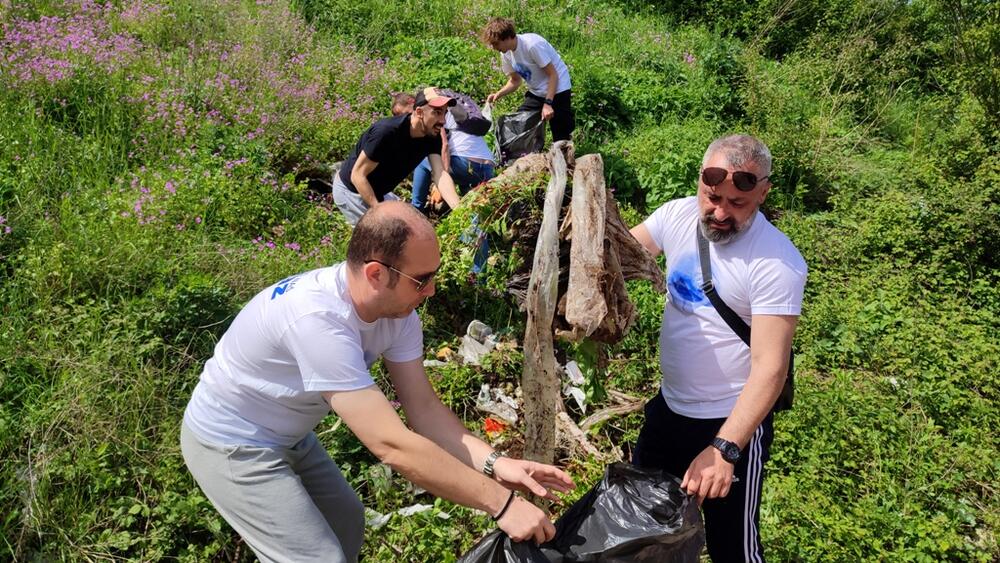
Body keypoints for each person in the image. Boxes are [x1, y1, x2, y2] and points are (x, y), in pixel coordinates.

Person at [180, 201, 574, 562]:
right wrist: (501, 505)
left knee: (347, 523)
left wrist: (496, 464)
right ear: (376, 273)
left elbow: (424, 410)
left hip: (290, 433)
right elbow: (392, 445)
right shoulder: (316, 322)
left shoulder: (399, 314)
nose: (432, 290)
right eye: (421, 280)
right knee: (318, 557)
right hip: (232, 441)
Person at [628, 135, 807, 562]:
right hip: (669, 411)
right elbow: (619, 254)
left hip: (731, 422)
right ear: (699, 184)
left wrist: (725, 448)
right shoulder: (675, 216)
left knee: (733, 548)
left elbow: (770, 368)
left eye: (738, 203)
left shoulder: (775, 262)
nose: (721, 212)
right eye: (712, 197)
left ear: (762, 192)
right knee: (642, 527)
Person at [332, 87, 463, 226]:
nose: (443, 120)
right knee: (381, 238)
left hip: (378, 191)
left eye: (444, 113)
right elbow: (357, 175)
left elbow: (440, 174)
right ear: (419, 112)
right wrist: (378, 211)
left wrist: (460, 210)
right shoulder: (386, 132)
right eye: (437, 113)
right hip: (352, 191)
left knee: (404, 231)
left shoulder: (431, 136)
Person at [482, 17, 574, 142]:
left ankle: (566, 158)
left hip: (558, 89)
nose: (494, 47)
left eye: (496, 43)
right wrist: (498, 94)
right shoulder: (506, 53)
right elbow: (515, 81)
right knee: (519, 123)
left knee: (560, 136)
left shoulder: (531, 45)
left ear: (508, 37)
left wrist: (548, 104)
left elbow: (553, 75)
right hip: (537, 92)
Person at [409, 88, 495, 211]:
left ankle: (416, 208)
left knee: (423, 161)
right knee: (473, 200)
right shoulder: (459, 112)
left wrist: (439, 186)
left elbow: (445, 146)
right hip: (487, 168)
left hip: (466, 165)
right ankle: (471, 220)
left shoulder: (439, 113)